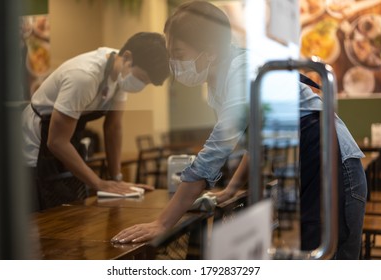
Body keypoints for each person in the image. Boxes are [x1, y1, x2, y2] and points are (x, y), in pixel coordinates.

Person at [112, 1, 250, 244]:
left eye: (179, 55)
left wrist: (162, 222)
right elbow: (254, 140)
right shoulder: (217, 84)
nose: (174, 65)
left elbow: (215, 152)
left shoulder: (241, 72)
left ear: (210, 52)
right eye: (170, 55)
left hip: (323, 150)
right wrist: (231, 188)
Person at [209, 81, 367, 259]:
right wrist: (231, 190)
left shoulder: (259, 81)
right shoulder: (231, 91)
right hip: (312, 168)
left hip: (337, 167)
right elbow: (255, 146)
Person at [22, 32, 170, 211]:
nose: (140, 86)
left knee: (72, 210)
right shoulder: (84, 76)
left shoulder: (120, 72)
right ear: (128, 57)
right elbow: (56, 141)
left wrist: (117, 180)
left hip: (67, 139)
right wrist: (99, 183)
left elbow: (113, 127)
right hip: (36, 144)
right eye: (142, 79)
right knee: (44, 213)